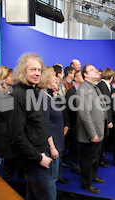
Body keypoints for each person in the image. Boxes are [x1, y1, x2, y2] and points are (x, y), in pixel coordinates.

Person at [9, 53, 58, 200]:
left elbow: (38, 124)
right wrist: (38, 157)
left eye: (39, 70)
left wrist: (48, 146)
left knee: (32, 195)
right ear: (23, 71)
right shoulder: (17, 95)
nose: (36, 73)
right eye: (32, 69)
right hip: (34, 158)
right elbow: (16, 136)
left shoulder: (32, 91)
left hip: (40, 152)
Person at [38, 67, 69, 199]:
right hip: (51, 146)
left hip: (55, 143)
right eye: (55, 80)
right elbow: (45, 125)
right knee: (51, 179)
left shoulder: (50, 97)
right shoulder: (44, 98)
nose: (58, 81)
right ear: (47, 81)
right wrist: (52, 147)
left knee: (52, 178)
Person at [76, 64, 107, 194]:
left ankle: (92, 177)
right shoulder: (83, 90)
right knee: (88, 159)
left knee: (95, 157)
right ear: (86, 75)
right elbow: (84, 114)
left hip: (99, 129)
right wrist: (92, 133)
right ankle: (86, 183)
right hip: (91, 132)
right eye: (93, 70)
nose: (96, 71)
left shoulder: (95, 87)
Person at [0, 65, 17, 184]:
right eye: (10, 76)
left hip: (7, 134)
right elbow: (11, 116)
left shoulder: (2, 93)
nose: (13, 78)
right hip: (6, 136)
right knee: (8, 169)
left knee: (10, 166)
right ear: (3, 78)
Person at [63, 70, 84, 175]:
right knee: (75, 145)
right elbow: (68, 109)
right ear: (75, 78)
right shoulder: (71, 91)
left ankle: (79, 163)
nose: (84, 77)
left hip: (82, 123)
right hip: (75, 123)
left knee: (81, 146)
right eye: (81, 75)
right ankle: (75, 166)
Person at [97, 68, 115, 168]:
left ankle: (100, 157)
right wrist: (109, 120)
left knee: (103, 141)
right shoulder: (103, 86)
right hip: (103, 118)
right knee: (101, 140)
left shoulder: (103, 85)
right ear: (111, 77)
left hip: (103, 117)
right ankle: (99, 160)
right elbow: (105, 105)